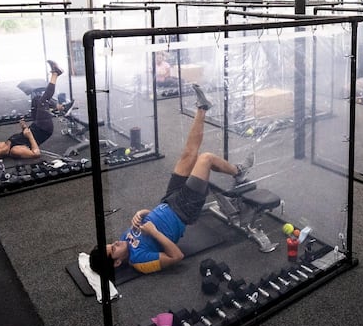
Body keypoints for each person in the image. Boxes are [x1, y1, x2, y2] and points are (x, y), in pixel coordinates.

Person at [89, 84, 253, 275]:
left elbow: (150, 219)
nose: (116, 242)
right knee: (205, 158)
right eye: (113, 249)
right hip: (183, 210)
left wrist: (141, 213)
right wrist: (153, 233)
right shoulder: (139, 260)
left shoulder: (125, 239)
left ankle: (202, 107)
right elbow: (176, 257)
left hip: (168, 200)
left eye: (111, 243)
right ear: (117, 263)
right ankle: (238, 171)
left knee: (188, 154)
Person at [0, 60, 66, 162]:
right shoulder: (14, 151)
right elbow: (36, 153)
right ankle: (55, 73)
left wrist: (24, 128)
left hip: (36, 126)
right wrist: (29, 135)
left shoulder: (7, 144)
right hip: (44, 129)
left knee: (36, 99)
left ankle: (59, 107)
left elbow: (23, 139)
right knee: (42, 102)